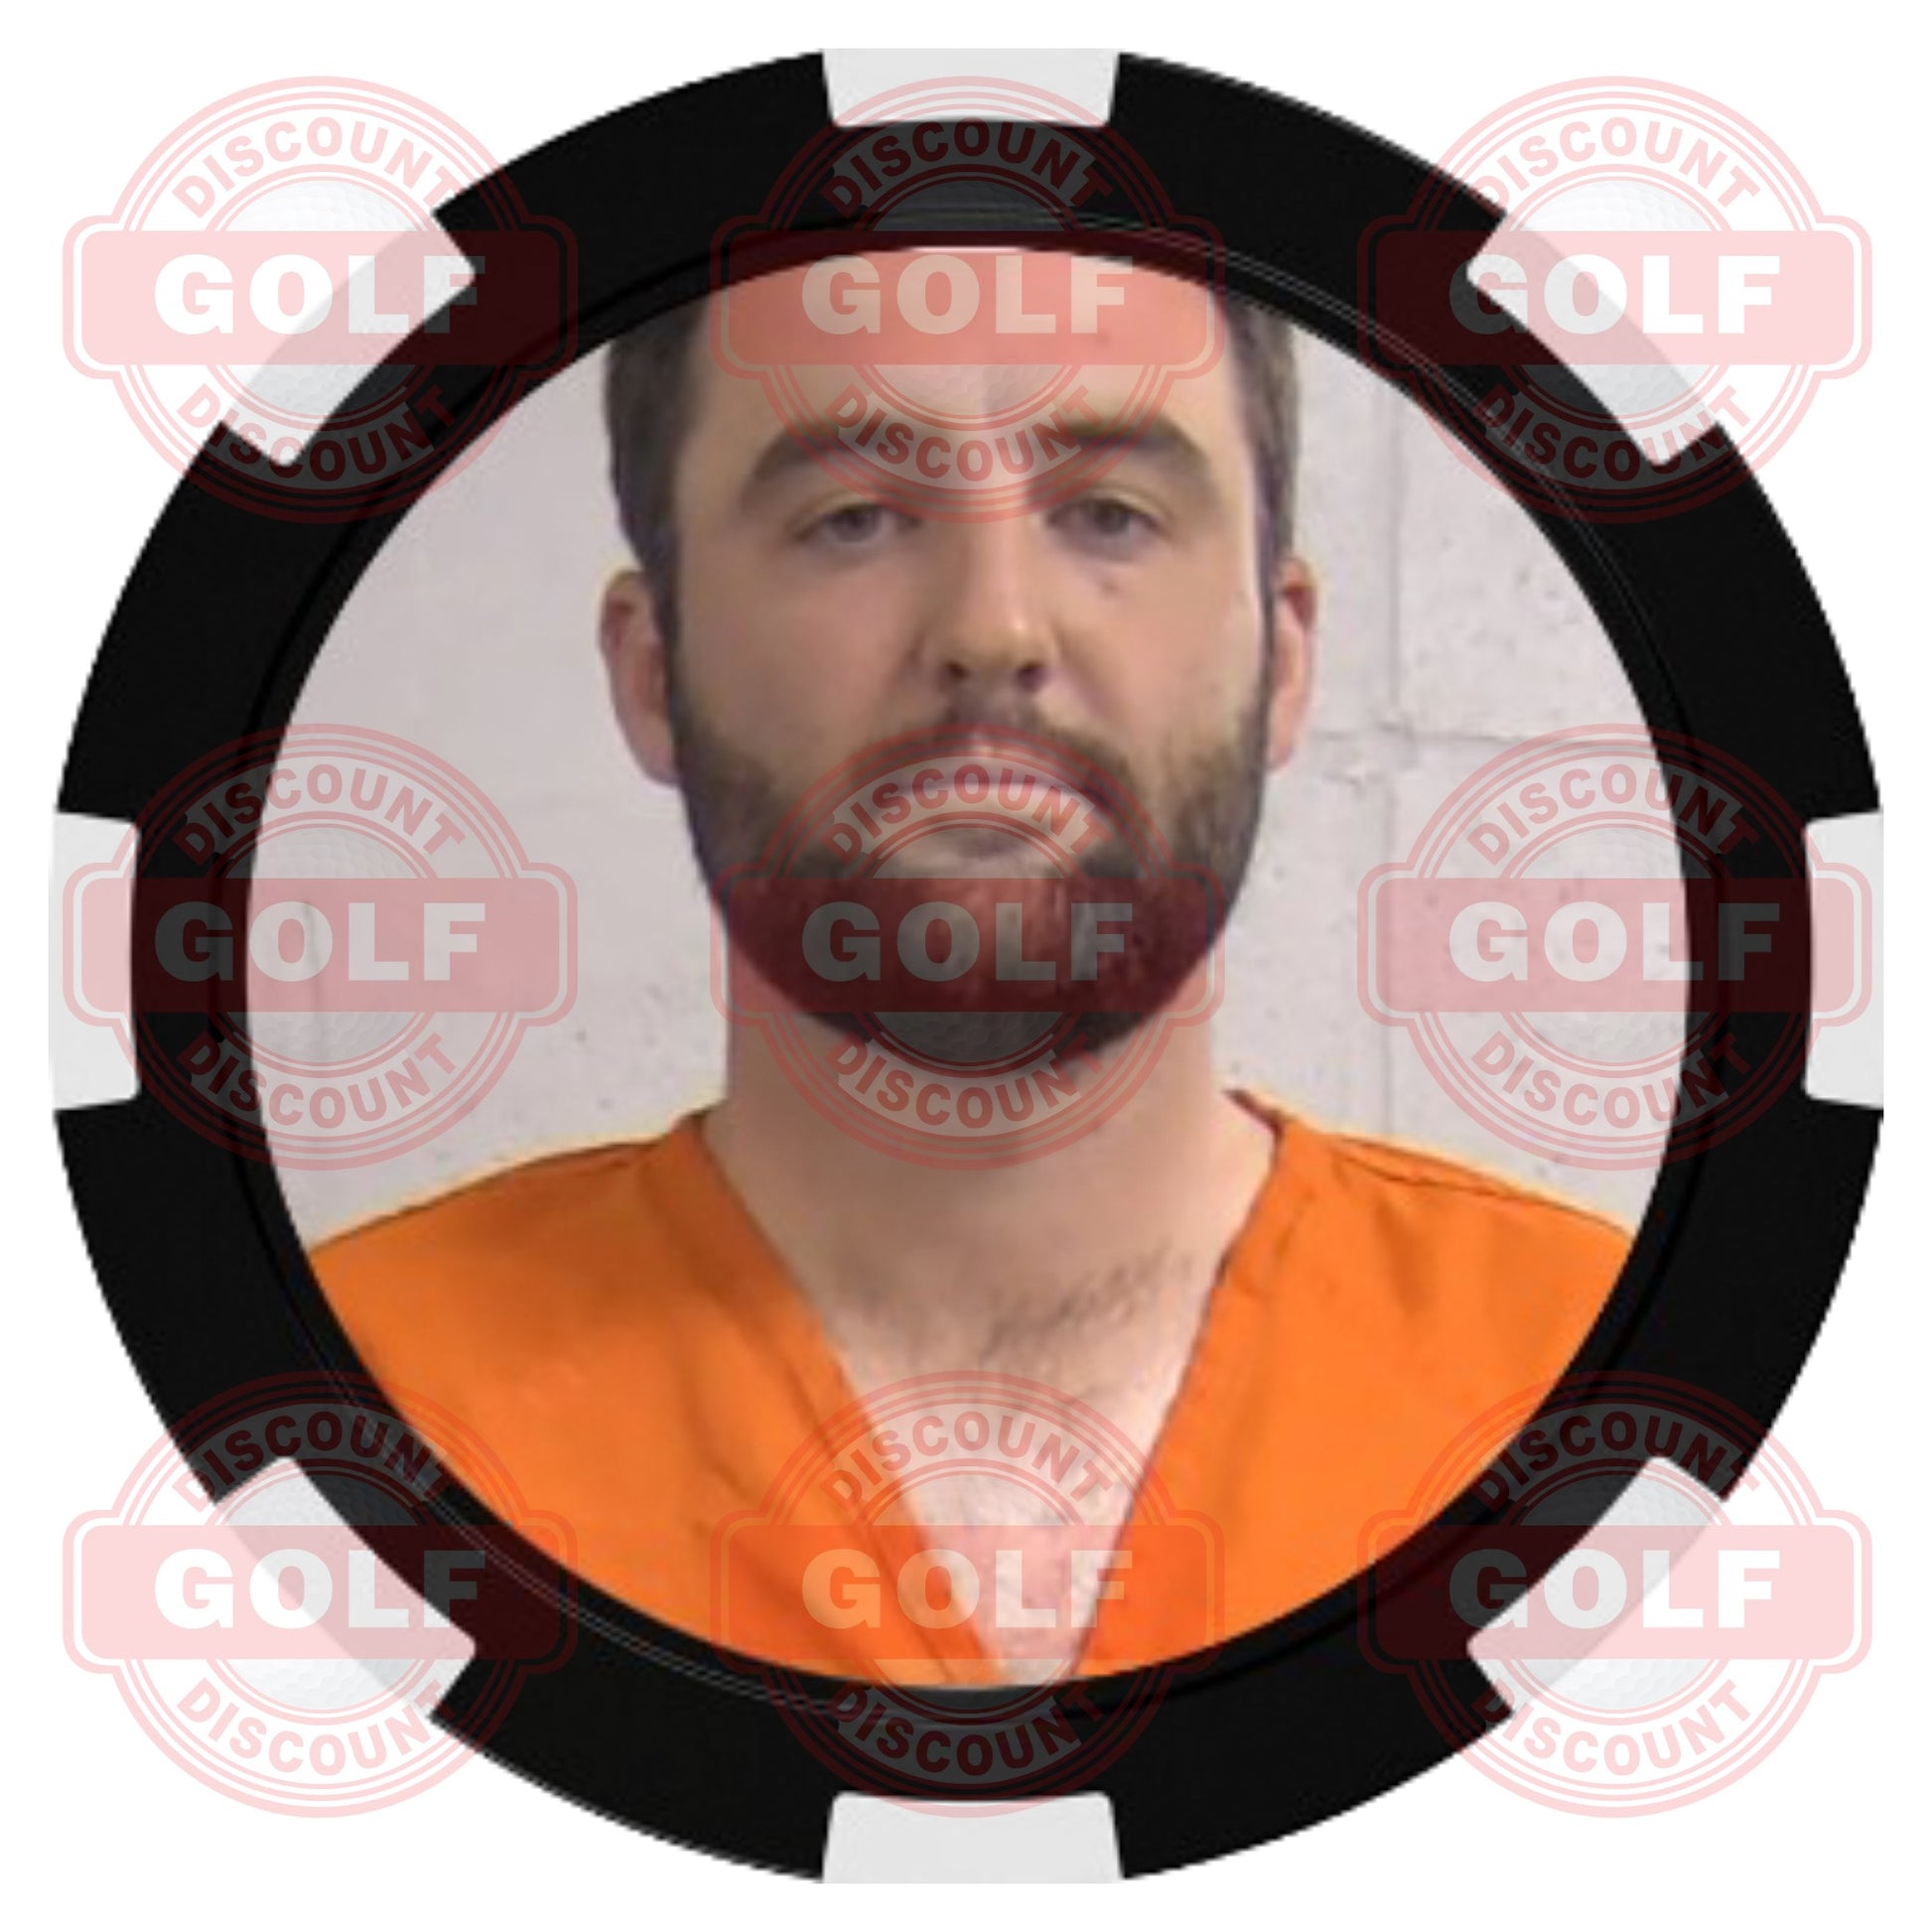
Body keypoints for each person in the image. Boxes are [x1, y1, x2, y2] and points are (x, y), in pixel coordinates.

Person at [312, 256, 1630, 1683]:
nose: (993, 628)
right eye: (854, 519)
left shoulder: (1605, 1401)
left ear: (1286, 661)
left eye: (1109, 513)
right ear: (651, 672)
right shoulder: (339, 1425)